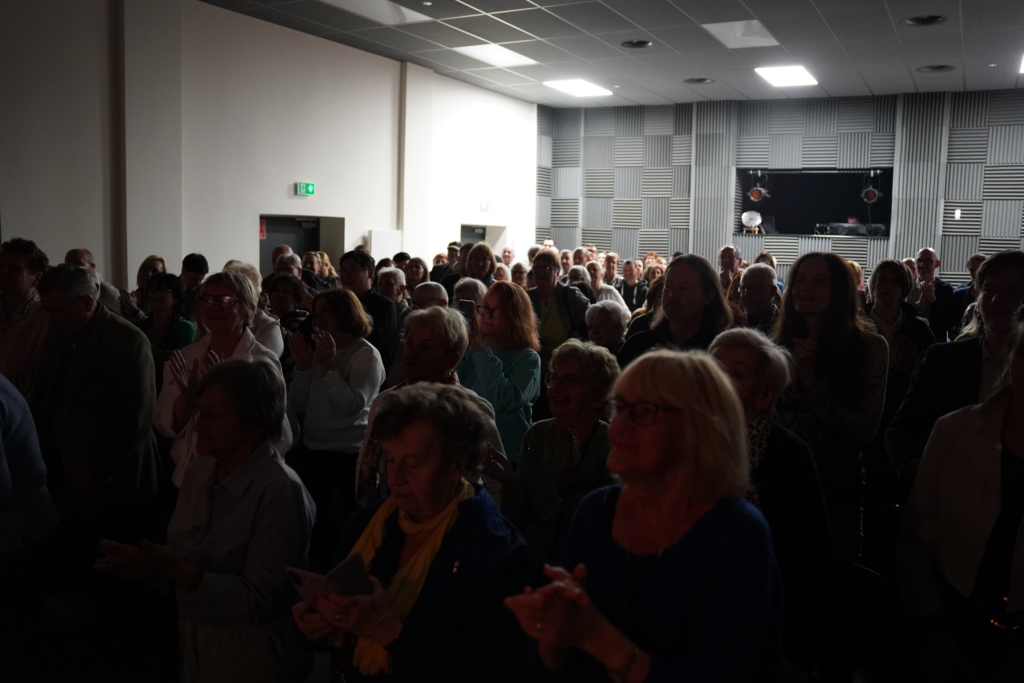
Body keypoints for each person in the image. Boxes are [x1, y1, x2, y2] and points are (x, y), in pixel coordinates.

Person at [505, 351, 783, 682]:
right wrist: (552, 638)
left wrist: (596, 637)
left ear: (697, 429)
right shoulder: (597, 511)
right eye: (620, 408)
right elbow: (556, 664)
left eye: (644, 412)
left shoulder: (737, 535)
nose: (619, 427)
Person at [293, 384, 530, 683]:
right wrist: (317, 625)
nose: (396, 478)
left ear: (456, 466)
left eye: (413, 464)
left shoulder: (495, 547)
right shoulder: (365, 524)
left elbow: (493, 667)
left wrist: (392, 632)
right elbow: (338, 625)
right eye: (391, 460)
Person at [98, 357, 315, 683]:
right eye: (199, 412)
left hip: (251, 654)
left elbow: (261, 600)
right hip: (196, 640)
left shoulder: (279, 491)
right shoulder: (201, 468)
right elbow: (186, 556)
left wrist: (177, 570)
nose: (197, 425)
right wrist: (153, 569)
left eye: (213, 415)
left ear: (256, 423)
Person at [897, 310, 1024, 682]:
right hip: (954, 626)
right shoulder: (955, 431)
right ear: (1010, 358)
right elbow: (917, 540)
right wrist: (932, 630)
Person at [709, 329, 836, 674]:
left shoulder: (788, 455)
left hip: (762, 623)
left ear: (764, 397)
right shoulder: (685, 441)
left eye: (736, 373)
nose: (718, 379)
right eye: (714, 367)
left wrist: (797, 655)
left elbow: (811, 562)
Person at [774, 253, 888, 562]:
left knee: (834, 580)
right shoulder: (775, 348)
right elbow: (771, 423)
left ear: (839, 290)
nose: (805, 288)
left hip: (838, 495)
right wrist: (792, 381)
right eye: (800, 280)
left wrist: (812, 383)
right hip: (780, 488)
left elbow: (864, 433)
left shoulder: (869, 347)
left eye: (818, 281)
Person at [34, 264, 159, 545]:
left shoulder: (128, 340)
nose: (51, 319)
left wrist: (97, 467)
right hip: (64, 473)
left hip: (114, 480)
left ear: (88, 302)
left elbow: (136, 417)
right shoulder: (58, 332)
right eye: (47, 311)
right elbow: (47, 395)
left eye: (57, 311)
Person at [886, 250, 1024, 485]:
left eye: (1012, 292)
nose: (995, 300)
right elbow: (900, 430)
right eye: (989, 290)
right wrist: (919, 471)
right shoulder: (943, 361)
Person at [489, 340, 618, 576]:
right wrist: (510, 482)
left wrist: (569, 484)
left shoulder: (611, 447)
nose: (556, 388)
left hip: (580, 573)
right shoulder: (537, 434)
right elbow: (519, 519)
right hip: (529, 564)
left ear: (599, 397)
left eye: (570, 380)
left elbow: (596, 533)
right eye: (554, 378)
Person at [355, 305, 505, 505]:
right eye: (409, 343)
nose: (412, 353)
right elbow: (366, 466)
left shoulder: (472, 408)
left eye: (426, 347)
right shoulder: (386, 402)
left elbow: (496, 480)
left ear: (451, 359)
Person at [154, 271, 292, 486]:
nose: (215, 307)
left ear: (249, 309)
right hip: (189, 477)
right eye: (208, 300)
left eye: (226, 301)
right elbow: (162, 424)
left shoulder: (262, 361)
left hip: (242, 478)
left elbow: (280, 433)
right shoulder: (187, 357)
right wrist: (188, 399)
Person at [287, 289, 385, 569]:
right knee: (307, 523)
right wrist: (303, 368)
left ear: (344, 314)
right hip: (312, 449)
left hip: (345, 455)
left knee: (335, 530)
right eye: (315, 313)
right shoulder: (320, 350)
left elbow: (351, 406)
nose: (317, 319)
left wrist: (329, 367)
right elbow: (299, 404)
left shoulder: (365, 354)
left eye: (324, 312)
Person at [863, 260, 935, 501]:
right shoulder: (856, 326)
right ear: (873, 284)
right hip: (863, 416)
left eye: (894, 282)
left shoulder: (918, 329)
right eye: (882, 280)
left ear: (903, 289)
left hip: (903, 417)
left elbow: (930, 379)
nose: (887, 286)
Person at [458, 282, 541, 464]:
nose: (486, 315)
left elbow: (501, 400)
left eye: (496, 311)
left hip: (506, 456)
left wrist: (481, 351)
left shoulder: (528, 359)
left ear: (514, 316)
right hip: (469, 450)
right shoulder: (472, 351)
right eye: (485, 307)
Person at [617, 255, 731, 368]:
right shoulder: (639, 343)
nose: (671, 295)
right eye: (668, 286)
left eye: (683, 288)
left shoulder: (723, 351)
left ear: (708, 296)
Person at [527, 250, 590, 420]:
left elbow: (590, 326)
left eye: (546, 268)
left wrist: (567, 347)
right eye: (537, 268)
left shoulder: (571, 296)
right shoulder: (527, 298)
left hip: (567, 365)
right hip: (535, 369)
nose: (541, 272)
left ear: (558, 271)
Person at [0, 238, 50, 400]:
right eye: (1, 266)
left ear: (37, 278)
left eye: (14, 268)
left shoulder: (48, 316)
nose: (4, 272)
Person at [338, 250, 399, 374]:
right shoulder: (335, 302)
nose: (346, 276)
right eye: (343, 271)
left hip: (370, 372)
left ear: (370, 272)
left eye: (353, 270)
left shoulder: (384, 306)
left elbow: (375, 341)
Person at [139, 273, 197, 391]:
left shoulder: (184, 328)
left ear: (176, 297)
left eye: (163, 291)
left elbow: (182, 364)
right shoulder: (141, 326)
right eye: (153, 290)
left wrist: (145, 347)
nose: (157, 294)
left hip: (171, 389)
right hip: (141, 385)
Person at [912, 248, 958, 342]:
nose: (922, 265)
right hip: (910, 342)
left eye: (928, 261)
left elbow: (948, 323)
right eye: (919, 261)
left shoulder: (945, 288)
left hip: (936, 343)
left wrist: (932, 300)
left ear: (937, 264)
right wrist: (919, 304)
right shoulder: (907, 286)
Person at [64, 248, 122, 315]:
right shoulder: (65, 288)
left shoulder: (108, 294)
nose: (71, 269)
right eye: (67, 264)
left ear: (92, 267)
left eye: (78, 264)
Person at [120, 255, 168, 322]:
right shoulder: (134, 296)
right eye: (145, 270)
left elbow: (155, 324)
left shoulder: (164, 299)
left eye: (155, 271)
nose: (149, 274)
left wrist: (135, 310)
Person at [739, 263, 780, 335]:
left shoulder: (783, 325)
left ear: (773, 291)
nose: (747, 294)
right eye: (744, 289)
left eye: (755, 289)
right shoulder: (737, 323)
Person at [951, 253, 986, 329]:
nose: (975, 272)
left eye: (979, 268)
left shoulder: (993, 295)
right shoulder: (959, 295)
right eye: (972, 269)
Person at [179, 253, 209, 320]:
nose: (197, 284)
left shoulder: (202, 292)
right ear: (183, 271)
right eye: (193, 280)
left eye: (200, 280)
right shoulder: (171, 289)